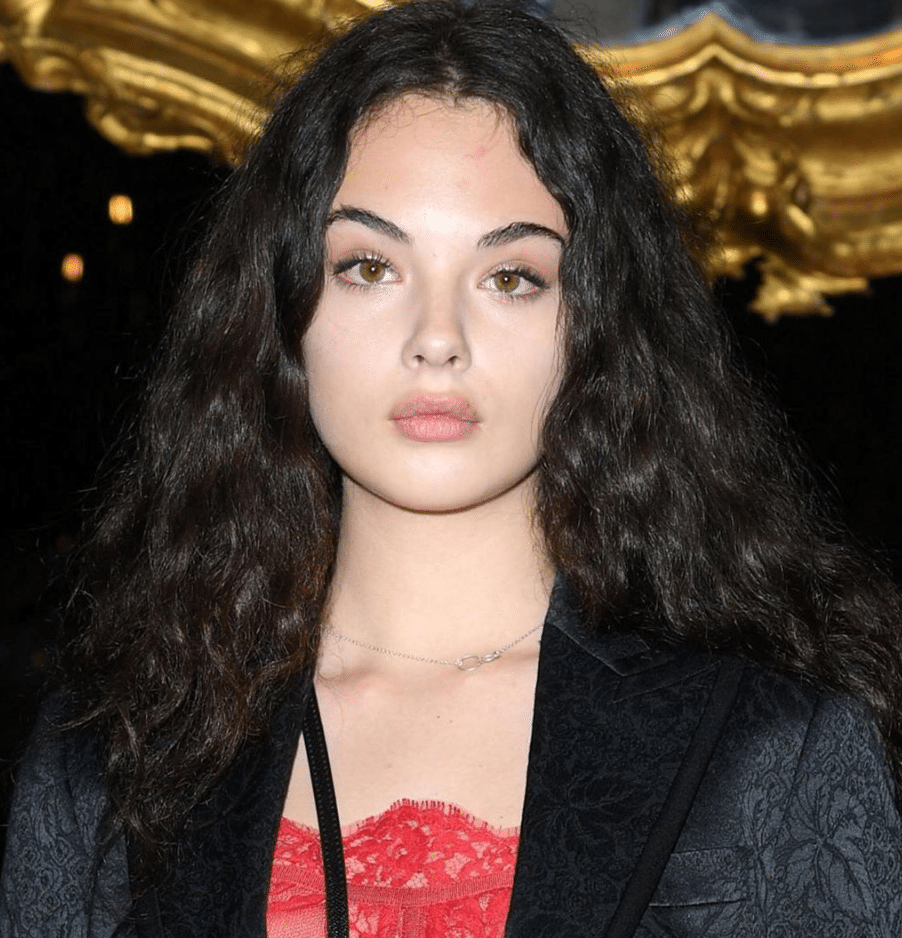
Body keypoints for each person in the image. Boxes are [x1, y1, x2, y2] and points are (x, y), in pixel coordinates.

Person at [3, 1, 902, 935]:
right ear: (280, 308)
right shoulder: (111, 759)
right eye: (370, 267)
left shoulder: (772, 750)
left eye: (511, 277)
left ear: (598, 326)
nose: (437, 339)